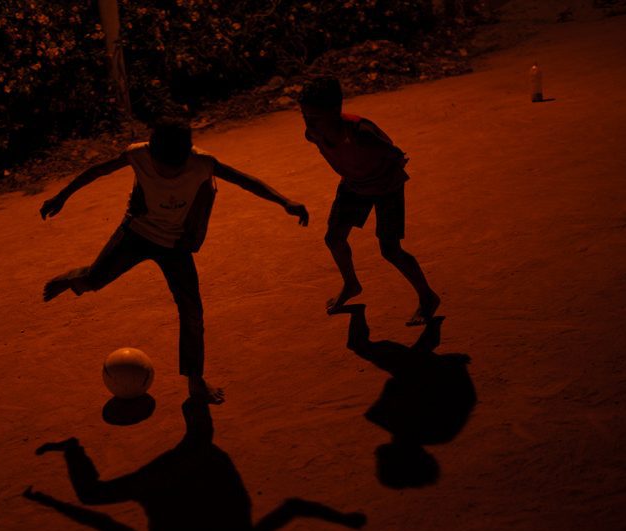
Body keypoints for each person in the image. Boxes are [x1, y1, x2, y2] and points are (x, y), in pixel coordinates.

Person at [40, 119, 309, 404]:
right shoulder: (138, 155)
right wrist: (62, 196)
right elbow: (97, 171)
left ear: (186, 155)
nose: (168, 174)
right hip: (136, 233)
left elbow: (245, 180)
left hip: (174, 245)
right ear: (152, 154)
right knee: (94, 280)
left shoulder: (202, 163)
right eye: (162, 168)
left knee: (192, 311)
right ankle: (75, 278)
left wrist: (284, 201)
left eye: (175, 169)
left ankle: (195, 380)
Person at [299, 77, 440, 325]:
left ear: (334, 111)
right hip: (353, 185)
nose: (309, 123)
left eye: (314, 117)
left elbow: (393, 152)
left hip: (386, 187)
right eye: (305, 116)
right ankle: (351, 284)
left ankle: (428, 297)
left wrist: (387, 171)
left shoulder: (361, 132)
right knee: (334, 238)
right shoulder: (313, 134)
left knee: (390, 249)